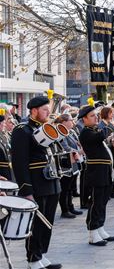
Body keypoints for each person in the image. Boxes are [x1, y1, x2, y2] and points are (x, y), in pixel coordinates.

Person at [10, 96, 62, 269]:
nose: (49, 112)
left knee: (48, 221)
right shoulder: (22, 130)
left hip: (50, 180)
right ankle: (33, 258)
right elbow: (19, 163)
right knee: (37, 223)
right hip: (36, 183)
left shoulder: (44, 128)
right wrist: (26, 189)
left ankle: (41, 254)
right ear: (34, 111)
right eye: (45, 110)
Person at [78, 105, 114, 246]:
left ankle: (100, 227)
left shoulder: (95, 130)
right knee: (96, 202)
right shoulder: (86, 132)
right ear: (84, 119)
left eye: (96, 115)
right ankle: (93, 231)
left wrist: (113, 144)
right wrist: (108, 125)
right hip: (96, 172)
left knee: (103, 201)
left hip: (104, 170)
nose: (96, 117)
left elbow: (102, 143)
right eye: (92, 116)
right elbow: (100, 136)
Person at [54, 114, 83, 219]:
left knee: (71, 187)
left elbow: (74, 144)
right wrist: (79, 151)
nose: (73, 122)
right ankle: (65, 210)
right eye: (71, 120)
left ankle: (70, 207)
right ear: (64, 122)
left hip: (73, 162)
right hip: (66, 164)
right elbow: (65, 148)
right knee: (65, 188)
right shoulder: (60, 133)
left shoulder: (68, 132)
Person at [98, 107, 114, 198]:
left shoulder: (111, 124)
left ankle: (112, 191)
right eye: (111, 113)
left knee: (113, 170)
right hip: (106, 150)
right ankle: (109, 191)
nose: (112, 115)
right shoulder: (102, 125)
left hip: (112, 150)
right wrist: (110, 140)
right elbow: (102, 139)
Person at [0, 109, 13, 180]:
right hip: (2, 173)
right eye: (3, 123)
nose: (5, 125)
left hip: (9, 172)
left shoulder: (5, 136)